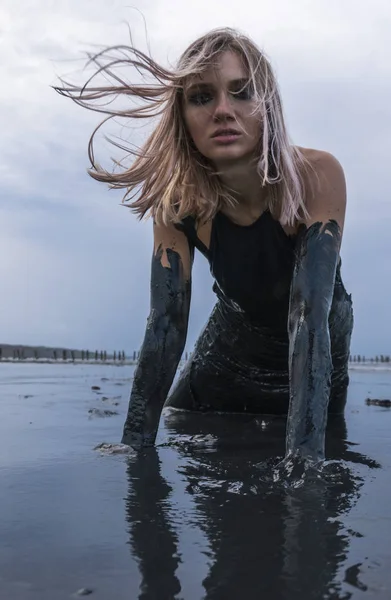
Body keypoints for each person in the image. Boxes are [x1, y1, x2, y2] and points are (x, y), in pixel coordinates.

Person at [54, 27, 353, 462]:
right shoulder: (179, 203)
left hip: (312, 370)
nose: (223, 111)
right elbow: (166, 323)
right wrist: (135, 443)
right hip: (224, 364)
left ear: (267, 106)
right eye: (201, 97)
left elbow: (309, 316)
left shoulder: (316, 176)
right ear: (184, 117)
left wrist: (303, 463)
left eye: (241, 93)